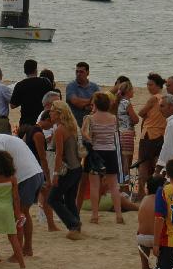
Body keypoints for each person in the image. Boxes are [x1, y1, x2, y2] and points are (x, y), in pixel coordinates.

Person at [0, 126, 44, 256]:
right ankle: (27, 249)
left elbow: (1, 167)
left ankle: (19, 253)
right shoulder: (4, 138)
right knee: (24, 213)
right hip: (36, 173)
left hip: (26, 177)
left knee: (19, 215)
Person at [83, 92, 123, 225]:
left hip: (96, 152)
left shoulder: (90, 118)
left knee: (95, 185)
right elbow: (114, 132)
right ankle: (118, 215)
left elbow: (85, 133)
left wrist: (90, 139)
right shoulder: (113, 118)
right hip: (110, 152)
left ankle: (95, 215)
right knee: (114, 186)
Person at [47, 101, 83, 240]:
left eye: (52, 111)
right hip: (77, 168)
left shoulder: (60, 130)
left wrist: (55, 174)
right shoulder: (73, 127)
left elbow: (59, 154)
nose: (50, 113)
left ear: (59, 113)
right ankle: (76, 228)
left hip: (67, 170)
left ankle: (73, 224)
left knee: (53, 199)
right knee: (69, 199)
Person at [24, 111, 57, 231]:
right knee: (46, 196)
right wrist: (47, 177)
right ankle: (51, 225)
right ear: (47, 119)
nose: (52, 126)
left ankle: (51, 225)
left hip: (30, 167)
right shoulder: (38, 134)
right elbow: (42, 157)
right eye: (52, 123)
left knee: (44, 197)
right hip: (36, 169)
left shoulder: (31, 130)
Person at [136, 73, 166, 201]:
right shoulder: (166, 98)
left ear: (157, 85)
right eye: (147, 84)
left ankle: (141, 193)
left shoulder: (154, 98)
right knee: (157, 164)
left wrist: (147, 115)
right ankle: (158, 192)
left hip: (148, 134)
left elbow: (141, 112)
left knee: (143, 164)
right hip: (161, 134)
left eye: (151, 84)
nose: (148, 87)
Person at [10, 59, 53, 135]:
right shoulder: (45, 82)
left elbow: (12, 105)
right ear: (36, 70)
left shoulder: (20, 85)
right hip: (43, 121)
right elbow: (52, 98)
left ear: (25, 71)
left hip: (26, 122)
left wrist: (24, 99)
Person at [136, 174, 165, 269]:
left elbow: (141, 220)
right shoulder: (162, 200)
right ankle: (160, 266)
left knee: (142, 242)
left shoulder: (144, 200)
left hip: (142, 237)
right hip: (157, 239)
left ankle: (145, 266)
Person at [114, 79, 139, 178]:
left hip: (119, 132)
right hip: (127, 134)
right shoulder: (126, 103)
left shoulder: (118, 102)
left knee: (121, 159)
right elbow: (135, 119)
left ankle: (121, 181)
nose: (133, 92)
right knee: (127, 161)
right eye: (132, 90)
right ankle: (125, 182)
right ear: (128, 91)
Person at [65, 62, 99, 127]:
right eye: (77, 72)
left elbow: (99, 103)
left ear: (88, 73)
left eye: (81, 72)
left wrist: (90, 105)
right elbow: (75, 101)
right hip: (75, 124)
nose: (78, 74)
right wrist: (91, 101)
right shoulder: (71, 86)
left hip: (92, 123)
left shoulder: (94, 87)